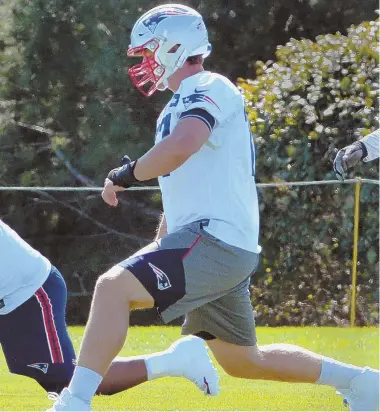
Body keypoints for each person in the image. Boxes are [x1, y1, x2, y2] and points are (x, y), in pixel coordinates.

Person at [48, 4, 379, 411]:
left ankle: (74, 403)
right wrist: (163, 243)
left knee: (112, 289)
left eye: (149, 51)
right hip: (214, 242)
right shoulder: (179, 102)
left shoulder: (209, 85)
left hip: (215, 240)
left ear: (173, 47)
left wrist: (126, 173)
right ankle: (364, 384)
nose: (146, 63)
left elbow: (181, 146)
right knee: (243, 361)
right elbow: (181, 185)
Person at [0, 219, 216, 398]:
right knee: (65, 382)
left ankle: (175, 360)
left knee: (69, 382)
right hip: (10, 294)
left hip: (29, 292)